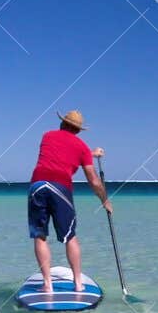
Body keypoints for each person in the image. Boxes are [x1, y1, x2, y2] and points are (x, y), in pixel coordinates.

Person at [28, 110, 111, 293]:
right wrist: (104, 200)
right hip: (61, 187)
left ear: (62, 123)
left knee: (40, 236)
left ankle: (48, 285)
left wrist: (90, 154)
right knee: (70, 237)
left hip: (38, 185)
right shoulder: (81, 147)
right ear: (79, 130)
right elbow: (93, 180)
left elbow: (62, 151)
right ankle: (78, 284)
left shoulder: (47, 136)